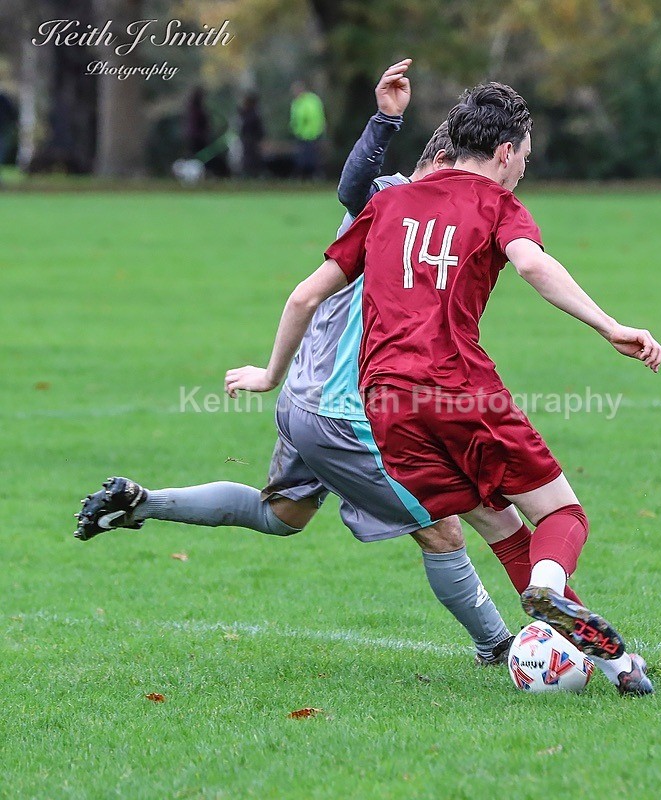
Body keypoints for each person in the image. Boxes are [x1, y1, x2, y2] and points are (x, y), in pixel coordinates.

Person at [222, 82, 661, 695]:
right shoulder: (496, 205)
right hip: (455, 383)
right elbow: (533, 264)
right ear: (506, 151)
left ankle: (618, 666)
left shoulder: (389, 204)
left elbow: (305, 293)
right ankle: (551, 590)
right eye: (527, 158)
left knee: (497, 518)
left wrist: (270, 375)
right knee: (562, 513)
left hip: (384, 406)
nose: (524, 171)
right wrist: (611, 326)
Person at [74, 62, 517, 667]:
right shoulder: (391, 200)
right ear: (442, 167)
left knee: (280, 515)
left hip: (309, 403)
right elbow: (354, 185)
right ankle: (500, 647)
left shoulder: (424, 218)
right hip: (342, 410)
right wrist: (384, 120)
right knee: (442, 525)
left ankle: (145, 502)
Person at [290, 81, 325, 180]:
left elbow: (314, 117)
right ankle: (304, 176)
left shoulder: (311, 101)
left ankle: (314, 176)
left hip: (312, 134)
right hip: (301, 135)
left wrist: (318, 130)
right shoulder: (297, 102)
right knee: (302, 157)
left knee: (312, 157)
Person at [238, 92, 265, 178]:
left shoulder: (252, 115)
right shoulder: (248, 114)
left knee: (252, 160)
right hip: (248, 140)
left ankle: (252, 175)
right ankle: (248, 175)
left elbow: (258, 129)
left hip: (252, 141)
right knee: (248, 159)